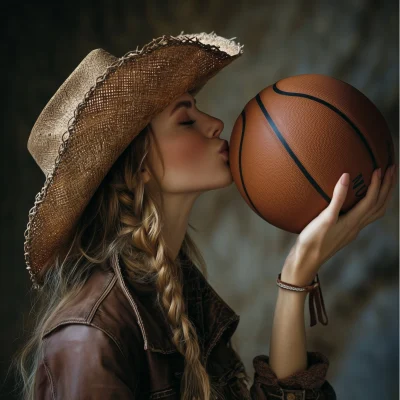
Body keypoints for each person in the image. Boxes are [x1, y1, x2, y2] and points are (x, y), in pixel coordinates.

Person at [13, 31, 396, 400]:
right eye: (185, 120)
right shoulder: (88, 339)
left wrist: (298, 270)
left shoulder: (178, 290)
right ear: (140, 165)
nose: (215, 124)